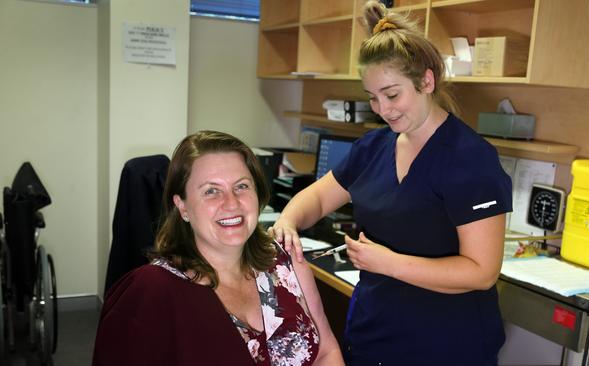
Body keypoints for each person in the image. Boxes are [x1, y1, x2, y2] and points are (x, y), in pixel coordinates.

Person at [269, 1, 513, 365]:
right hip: (375, 335)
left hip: (446, 346)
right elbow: (318, 200)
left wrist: (389, 263)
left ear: (426, 81)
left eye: (393, 94)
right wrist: (288, 221)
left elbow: (481, 272)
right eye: (373, 98)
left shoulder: (470, 159)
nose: (384, 109)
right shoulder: (373, 147)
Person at [93, 130, 344, 366]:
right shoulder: (154, 290)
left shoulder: (287, 262)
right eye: (212, 191)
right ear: (182, 206)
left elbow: (326, 352)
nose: (231, 203)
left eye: (242, 186)